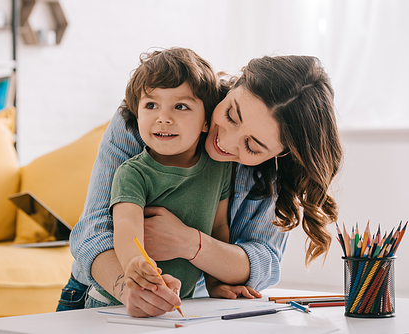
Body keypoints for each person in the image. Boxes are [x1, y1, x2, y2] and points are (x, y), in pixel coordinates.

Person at [58, 52, 343, 318]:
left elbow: (264, 263)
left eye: (253, 147)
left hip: (195, 306)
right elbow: (93, 233)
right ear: (234, 86)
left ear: (280, 153)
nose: (226, 142)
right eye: (231, 114)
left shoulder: (273, 170)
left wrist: (189, 243)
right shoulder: (149, 118)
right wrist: (129, 289)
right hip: (99, 294)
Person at [95, 47, 233, 310]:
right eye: (151, 105)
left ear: (207, 121)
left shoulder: (219, 169)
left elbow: (219, 230)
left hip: (179, 302)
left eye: (180, 106)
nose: (163, 118)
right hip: (116, 303)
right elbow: (126, 227)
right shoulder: (132, 173)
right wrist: (135, 264)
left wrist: (216, 282)